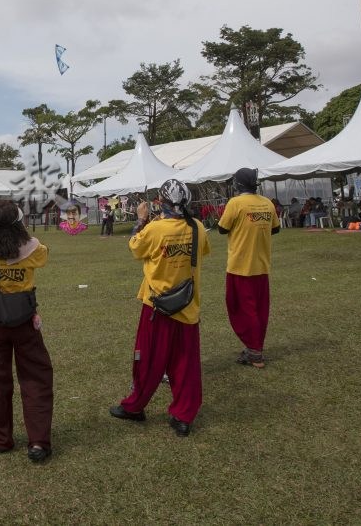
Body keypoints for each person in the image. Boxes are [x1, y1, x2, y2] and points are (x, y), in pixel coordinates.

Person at [109, 179, 210, 437]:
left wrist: (141, 219)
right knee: (186, 364)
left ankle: (135, 407)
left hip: (157, 306)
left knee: (148, 360)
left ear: (160, 203)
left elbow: (134, 246)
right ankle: (183, 415)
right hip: (188, 306)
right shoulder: (198, 227)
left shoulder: (154, 229)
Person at [0, 199, 53, 462]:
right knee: (36, 377)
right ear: (20, 221)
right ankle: (38, 442)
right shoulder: (33, 249)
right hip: (25, 318)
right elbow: (42, 253)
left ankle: (0, 438)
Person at [217, 168, 281, 369]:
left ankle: (254, 352)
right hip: (261, 266)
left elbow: (221, 228)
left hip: (240, 267)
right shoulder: (267, 203)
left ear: (238, 184)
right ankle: (255, 347)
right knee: (260, 310)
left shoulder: (235, 203)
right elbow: (276, 228)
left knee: (242, 309)